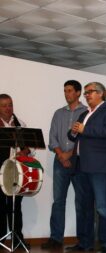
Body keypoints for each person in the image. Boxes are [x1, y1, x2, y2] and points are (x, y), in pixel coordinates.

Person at [67, 82, 106, 253]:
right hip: (81, 165)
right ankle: (84, 242)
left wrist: (84, 129)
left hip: (99, 166)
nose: (87, 95)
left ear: (101, 94)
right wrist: (74, 132)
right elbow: (75, 135)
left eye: (90, 92)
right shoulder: (84, 113)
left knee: (103, 207)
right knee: (83, 206)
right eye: (86, 93)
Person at [41, 80, 87, 249]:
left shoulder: (86, 112)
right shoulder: (58, 113)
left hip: (79, 161)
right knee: (58, 200)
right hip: (60, 161)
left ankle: (82, 240)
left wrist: (70, 154)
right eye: (65, 91)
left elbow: (85, 139)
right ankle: (56, 238)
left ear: (78, 93)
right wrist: (61, 155)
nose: (67, 94)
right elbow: (52, 138)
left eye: (69, 91)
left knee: (81, 201)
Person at [0, 94, 31, 249]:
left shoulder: (21, 124)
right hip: (0, 172)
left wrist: (24, 153)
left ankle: (17, 238)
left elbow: (30, 151)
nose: (8, 108)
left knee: (15, 207)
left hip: (16, 173)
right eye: (4, 105)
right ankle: (1, 239)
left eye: (10, 104)